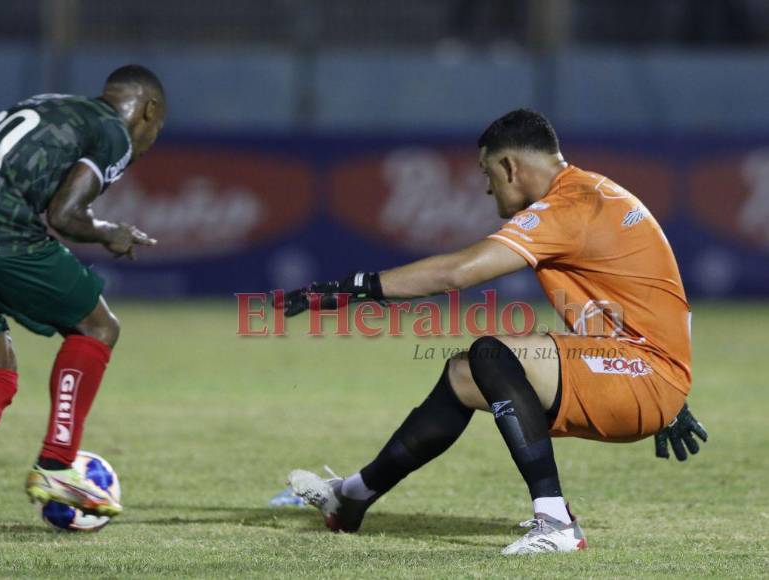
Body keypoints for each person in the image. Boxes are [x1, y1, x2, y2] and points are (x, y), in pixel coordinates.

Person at [280, 109, 708, 555]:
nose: (487, 186)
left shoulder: (569, 205)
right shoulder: (590, 194)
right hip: (642, 370)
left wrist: (355, 288)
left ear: (509, 167)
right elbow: (655, 293)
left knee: (491, 355)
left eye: (487, 172)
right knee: (464, 376)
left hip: (643, 375)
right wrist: (671, 388)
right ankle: (353, 497)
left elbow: (457, 273)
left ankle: (556, 523)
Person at [0, 64, 166, 517]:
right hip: (3, 233)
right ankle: (57, 463)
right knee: (97, 326)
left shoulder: (49, 103)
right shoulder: (113, 132)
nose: (152, 142)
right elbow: (66, 215)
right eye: (158, 127)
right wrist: (111, 232)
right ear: (148, 111)